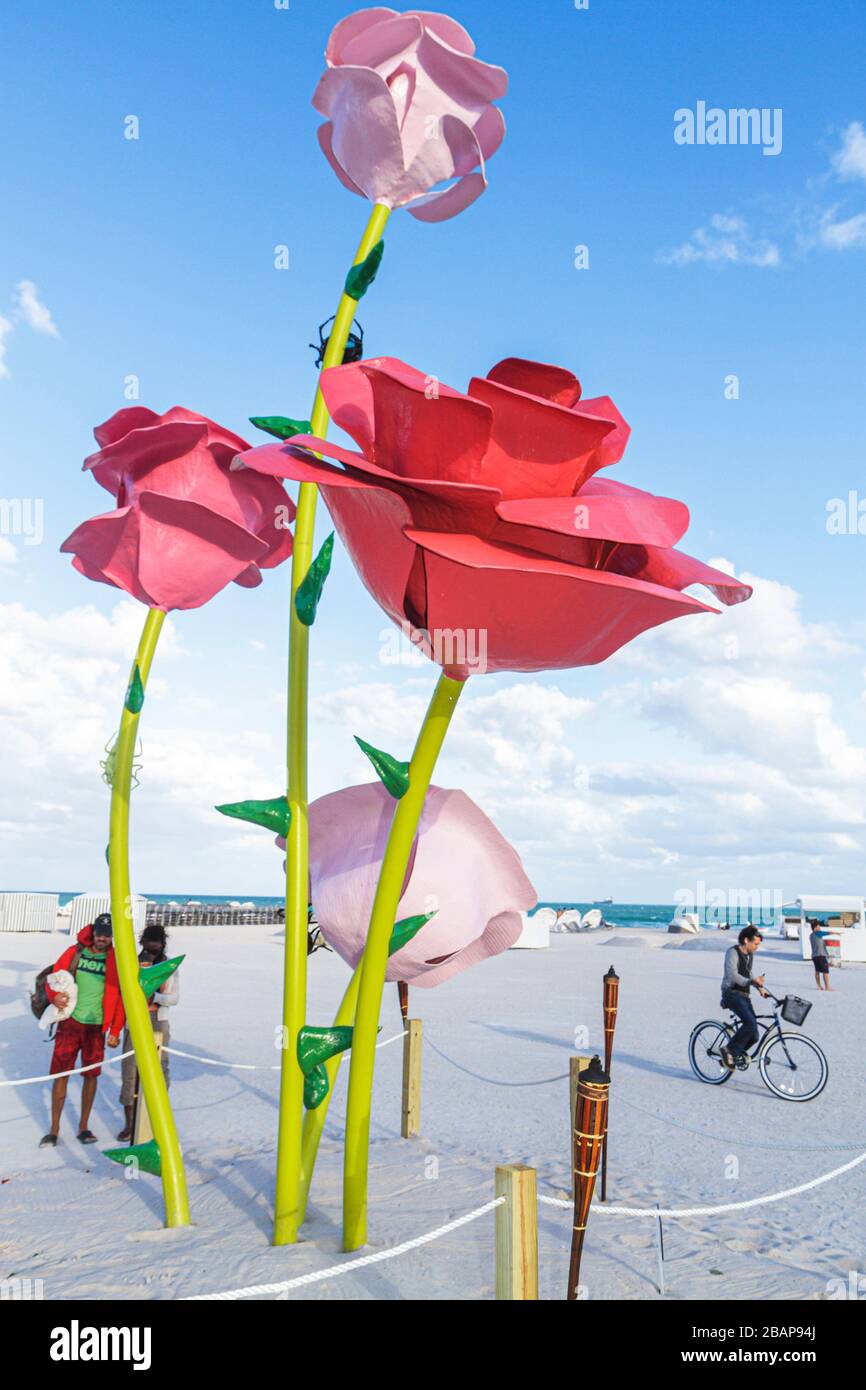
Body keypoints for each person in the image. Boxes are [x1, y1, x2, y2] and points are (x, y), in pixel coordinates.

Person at [40, 914, 124, 1147]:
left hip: (96, 1028)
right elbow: (53, 978)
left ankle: (83, 1127)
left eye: (107, 934)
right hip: (70, 1023)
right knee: (61, 1074)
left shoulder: (117, 960)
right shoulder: (75, 951)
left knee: (90, 1075)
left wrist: (115, 1029)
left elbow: (121, 998)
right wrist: (53, 997)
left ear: (113, 936)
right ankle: (54, 1130)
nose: (102, 938)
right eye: (99, 933)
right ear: (93, 932)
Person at [117, 924, 178, 1141]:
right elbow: (122, 992)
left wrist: (155, 998)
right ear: (142, 942)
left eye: (157, 942)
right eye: (149, 942)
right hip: (134, 1021)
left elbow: (174, 998)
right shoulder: (132, 962)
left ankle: (156, 1120)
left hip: (158, 1020)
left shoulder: (169, 966)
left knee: (160, 1069)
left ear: (162, 943)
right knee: (130, 1070)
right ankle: (130, 1124)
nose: (152, 946)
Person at [719, 925, 767, 1070]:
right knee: (750, 1025)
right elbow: (732, 975)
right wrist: (750, 981)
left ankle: (734, 1054)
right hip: (731, 993)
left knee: (754, 1035)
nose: (757, 947)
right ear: (746, 940)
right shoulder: (732, 953)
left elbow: (749, 973)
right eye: (755, 944)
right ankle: (728, 1052)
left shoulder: (749, 955)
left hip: (744, 995)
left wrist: (759, 988)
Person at [809, 919, 832, 992]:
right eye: (819, 927)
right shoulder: (818, 933)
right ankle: (827, 987)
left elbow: (818, 943)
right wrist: (837, 933)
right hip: (820, 955)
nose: (820, 928)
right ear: (815, 928)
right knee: (826, 972)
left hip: (814, 956)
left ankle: (819, 986)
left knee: (817, 971)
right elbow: (828, 933)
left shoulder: (811, 935)